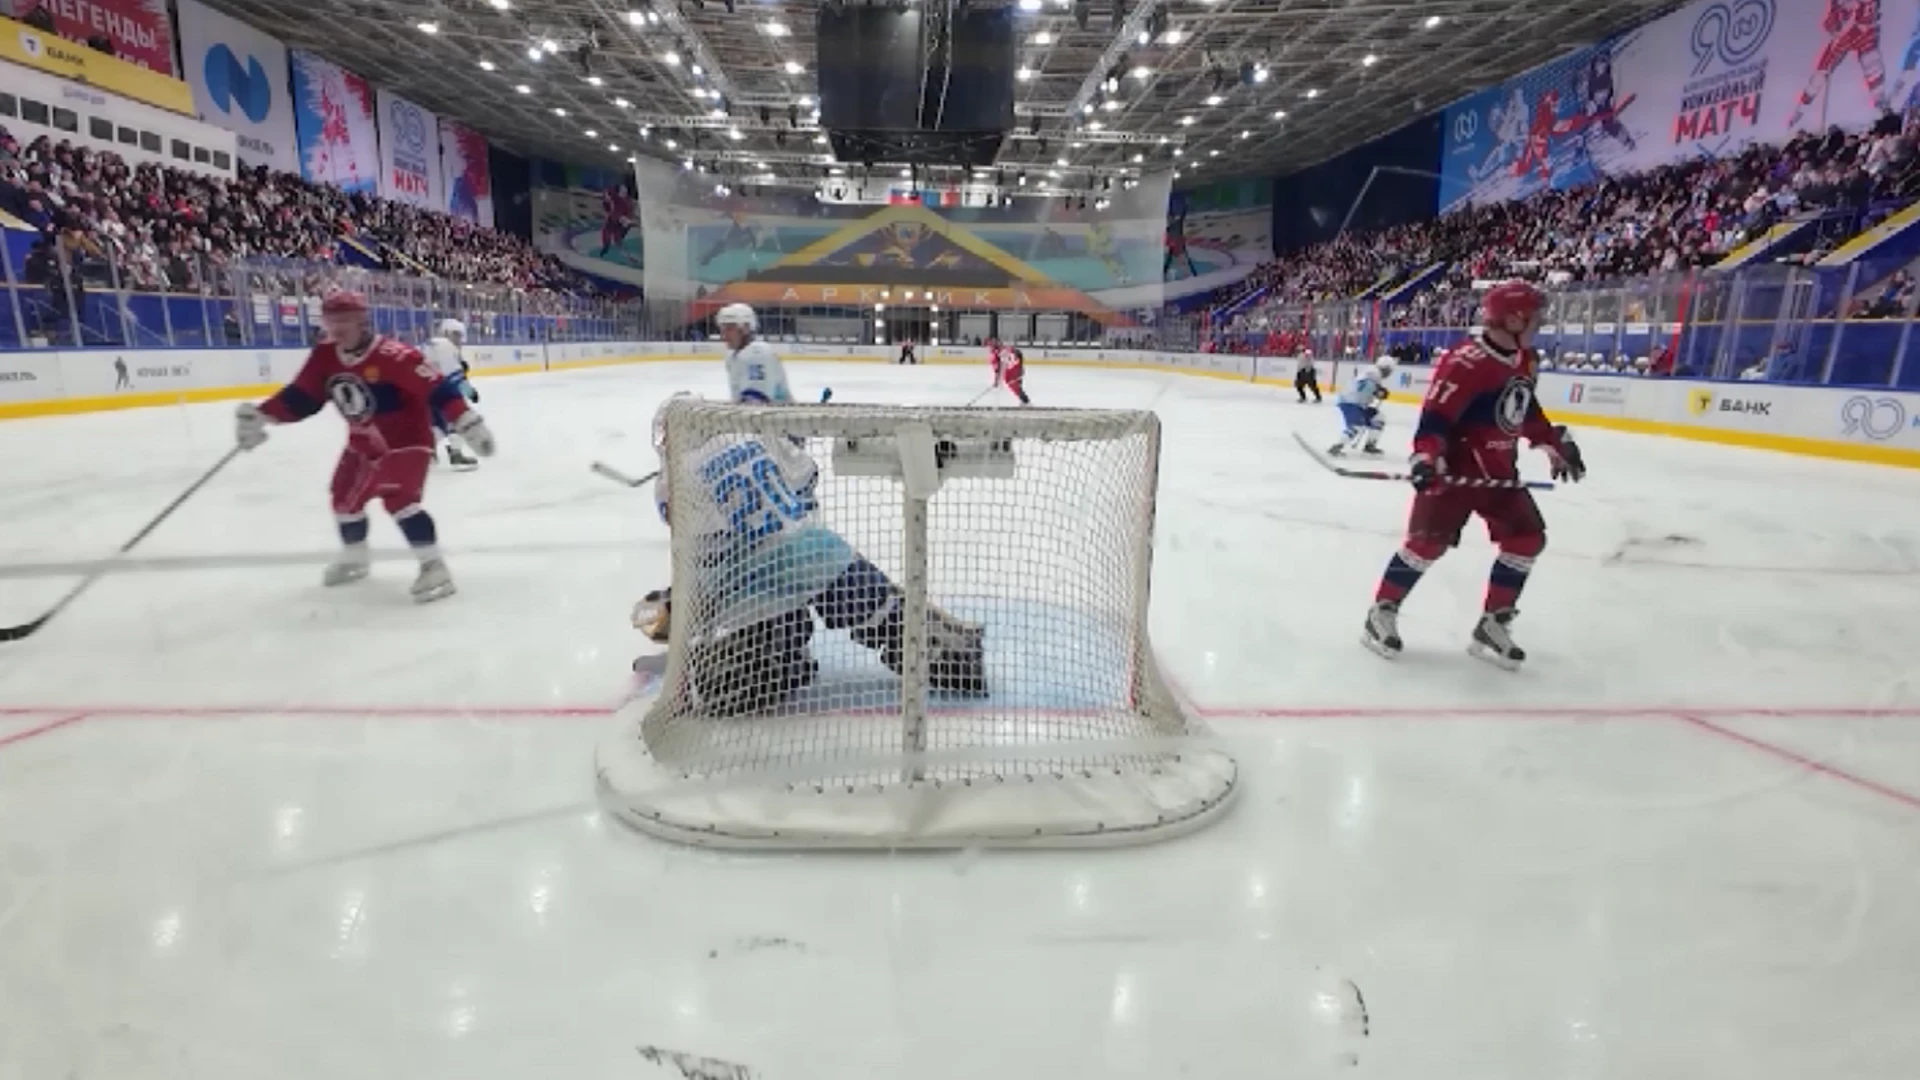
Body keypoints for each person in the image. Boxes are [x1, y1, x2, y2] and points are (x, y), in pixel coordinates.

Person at [635, 394, 987, 712]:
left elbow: (706, 556)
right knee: (884, 615)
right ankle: (955, 655)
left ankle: (785, 658)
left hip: (755, 590)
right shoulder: (755, 434)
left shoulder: (672, 484)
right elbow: (806, 477)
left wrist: (680, 609)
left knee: (737, 678)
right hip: (816, 552)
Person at [1360, 280, 1587, 669]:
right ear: (1513, 318)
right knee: (1426, 544)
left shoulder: (1525, 358)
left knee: (1527, 538)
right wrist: (1426, 458)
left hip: (1499, 473)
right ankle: (1381, 612)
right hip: (1456, 473)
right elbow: (1436, 418)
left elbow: (1522, 409)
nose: (1540, 323)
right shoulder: (1466, 361)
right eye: (1533, 316)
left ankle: (1492, 622)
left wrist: (1554, 442)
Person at [234, 290, 497, 603]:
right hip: (361, 443)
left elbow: (438, 390)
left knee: (399, 499)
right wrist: (264, 415)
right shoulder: (325, 355)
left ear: (363, 321)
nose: (338, 327)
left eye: (345, 320)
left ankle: (433, 566)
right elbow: (303, 397)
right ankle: (356, 558)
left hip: (407, 442)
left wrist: (468, 422)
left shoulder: (395, 356)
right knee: (343, 500)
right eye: (332, 320)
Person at [423, 318, 481, 470]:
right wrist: (469, 391)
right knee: (461, 418)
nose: (459, 339)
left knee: (438, 424)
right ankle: (453, 453)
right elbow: (454, 375)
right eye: (457, 335)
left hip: (426, 389)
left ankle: (427, 452)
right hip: (441, 389)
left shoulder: (433, 343)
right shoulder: (445, 346)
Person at [716, 302, 792, 404]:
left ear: (746, 328)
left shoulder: (758, 353)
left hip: (775, 418)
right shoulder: (732, 356)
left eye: (729, 329)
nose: (724, 335)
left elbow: (755, 403)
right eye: (722, 329)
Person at [1329, 356, 1392, 456]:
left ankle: (1370, 445)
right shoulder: (1374, 374)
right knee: (1356, 426)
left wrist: (1378, 391)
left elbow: (1366, 388)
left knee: (1378, 418)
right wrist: (1378, 392)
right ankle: (1337, 446)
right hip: (1351, 402)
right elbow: (1366, 387)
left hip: (1357, 403)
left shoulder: (1373, 371)